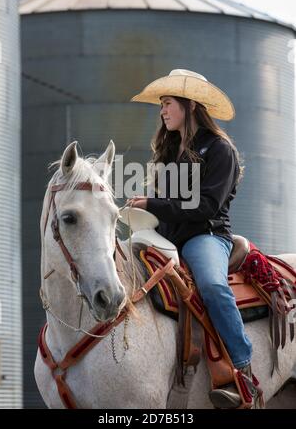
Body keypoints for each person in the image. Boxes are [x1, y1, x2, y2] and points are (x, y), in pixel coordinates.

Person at [127, 69, 256, 409]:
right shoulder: (170, 151)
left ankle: (244, 369)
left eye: (168, 103)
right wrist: (141, 212)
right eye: (161, 105)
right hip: (169, 237)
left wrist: (153, 204)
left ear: (189, 105)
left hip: (206, 236)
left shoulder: (220, 150)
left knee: (212, 287)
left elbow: (206, 206)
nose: (162, 111)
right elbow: (168, 205)